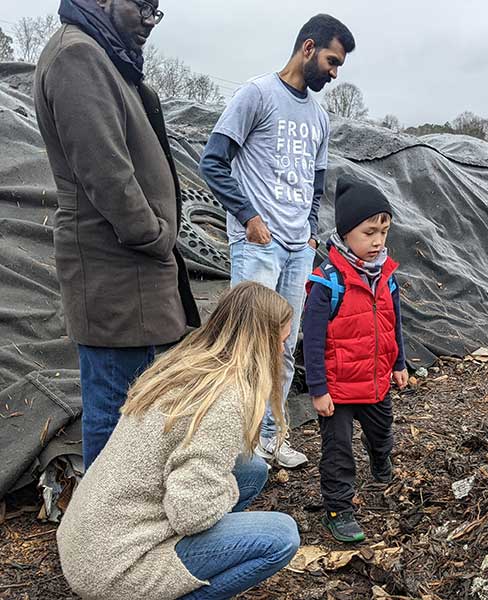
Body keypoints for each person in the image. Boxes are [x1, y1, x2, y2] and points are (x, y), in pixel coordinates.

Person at [33, 0, 200, 469]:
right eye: (142, 5)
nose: (150, 19)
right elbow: (105, 172)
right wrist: (154, 234)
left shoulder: (104, 55)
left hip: (132, 272)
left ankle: (126, 527)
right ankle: (105, 537)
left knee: (138, 412)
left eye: (156, 10)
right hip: (116, 273)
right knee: (114, 412)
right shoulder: (77, 56)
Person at [56, 282, 301, 600]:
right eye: (280, 341)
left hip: (88, 541)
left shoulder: (186, 364)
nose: (282, 351)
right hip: (114, 569)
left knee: (252, 469)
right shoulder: (226, 399)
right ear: (260, 342)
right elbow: (191, 515)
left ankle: (194, 563)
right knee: (281, 536)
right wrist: (224, 489)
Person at [199, 14, 355, 469]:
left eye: (339, 64)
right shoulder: (257, 95)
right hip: (259, 244)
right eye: (331, 60)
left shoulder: (320, 117)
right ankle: (232, 445)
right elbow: (213, 162)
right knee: (245, 344)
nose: (334, 71)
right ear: (308, 48)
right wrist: (248, 216)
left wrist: (308, 231)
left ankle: (270, 436)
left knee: (284, 347)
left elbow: (316, 183)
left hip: (296, 248)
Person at [303, 177, 409, 542]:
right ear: (346, 233)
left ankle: (380, 458)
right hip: (339, 388)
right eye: (368, 232)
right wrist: (318, 389)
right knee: (338, 452)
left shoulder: (386, 277)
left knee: (382, 433)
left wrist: (399, 364)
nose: (378, 241)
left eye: (384, 231)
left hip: (378, 380)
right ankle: (338, 508)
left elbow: (394, 324)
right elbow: (312, 341)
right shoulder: (327, 283)